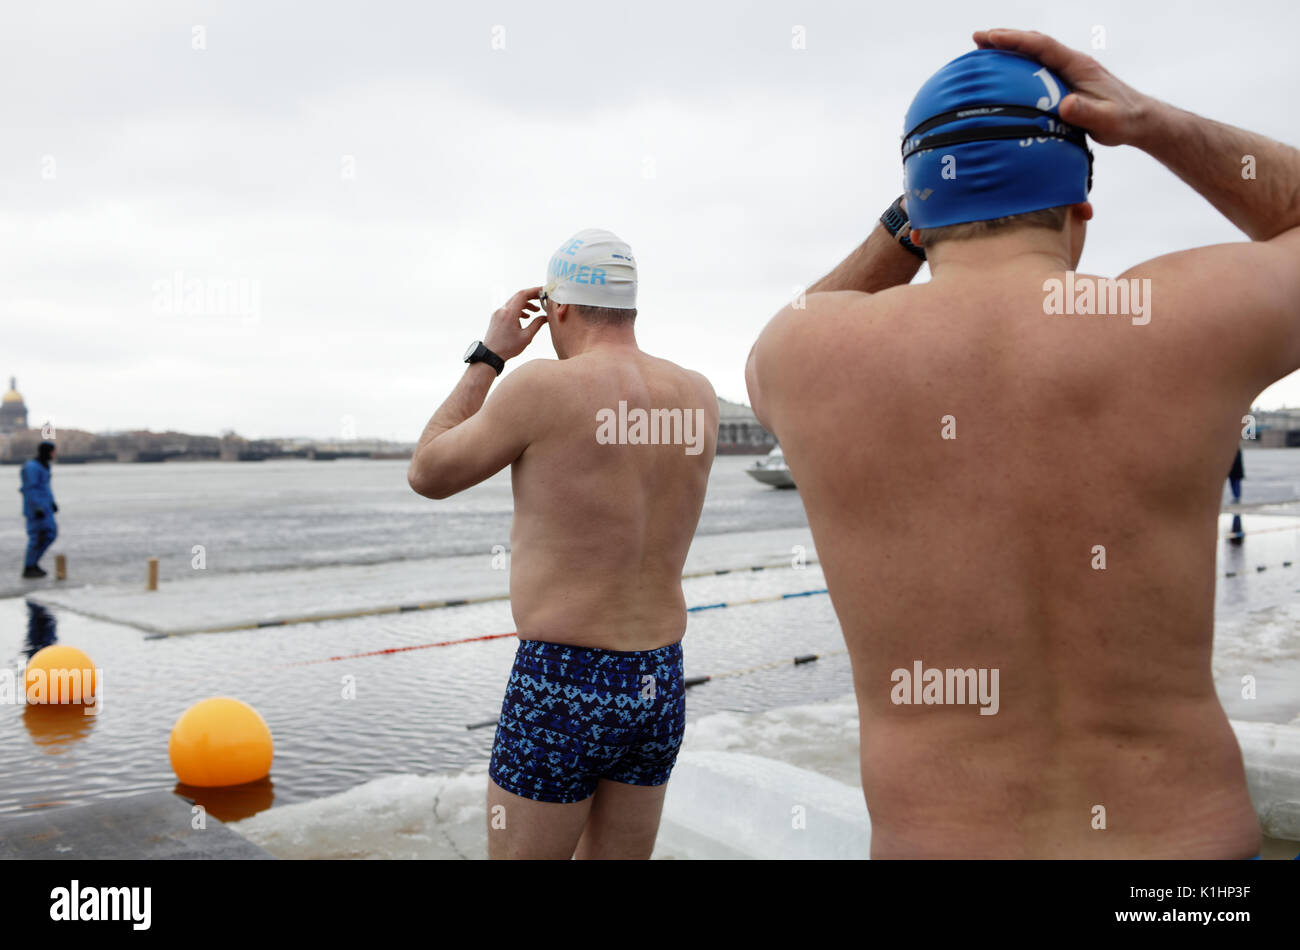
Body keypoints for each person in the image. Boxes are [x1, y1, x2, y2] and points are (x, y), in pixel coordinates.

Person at [745, 29, 1298, 858]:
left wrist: (913, 216)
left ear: (919, 217)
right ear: (1079, 211)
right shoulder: (1181, 322)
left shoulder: (802, 360)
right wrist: (1152, 122)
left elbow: (773, 340)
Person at [407, 229, 718, 859]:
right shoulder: (697, 396)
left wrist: (489, 356)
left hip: (562, 677)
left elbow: (428, 471)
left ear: (559, 309)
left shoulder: (541, 387)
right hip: (659, 675)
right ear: (630, 306)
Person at [20, 441, 58, 579]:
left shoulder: (44, 466)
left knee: (50, 534)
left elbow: (46, 487)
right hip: (37, 509)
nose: (55, 454)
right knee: (38, 537)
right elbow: (30, 489)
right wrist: (37, 507)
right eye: (53, 451)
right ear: (47, 452)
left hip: (45, 507)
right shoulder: (31, 467)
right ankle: (29, 566)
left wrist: (52, 502)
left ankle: (34, 563)